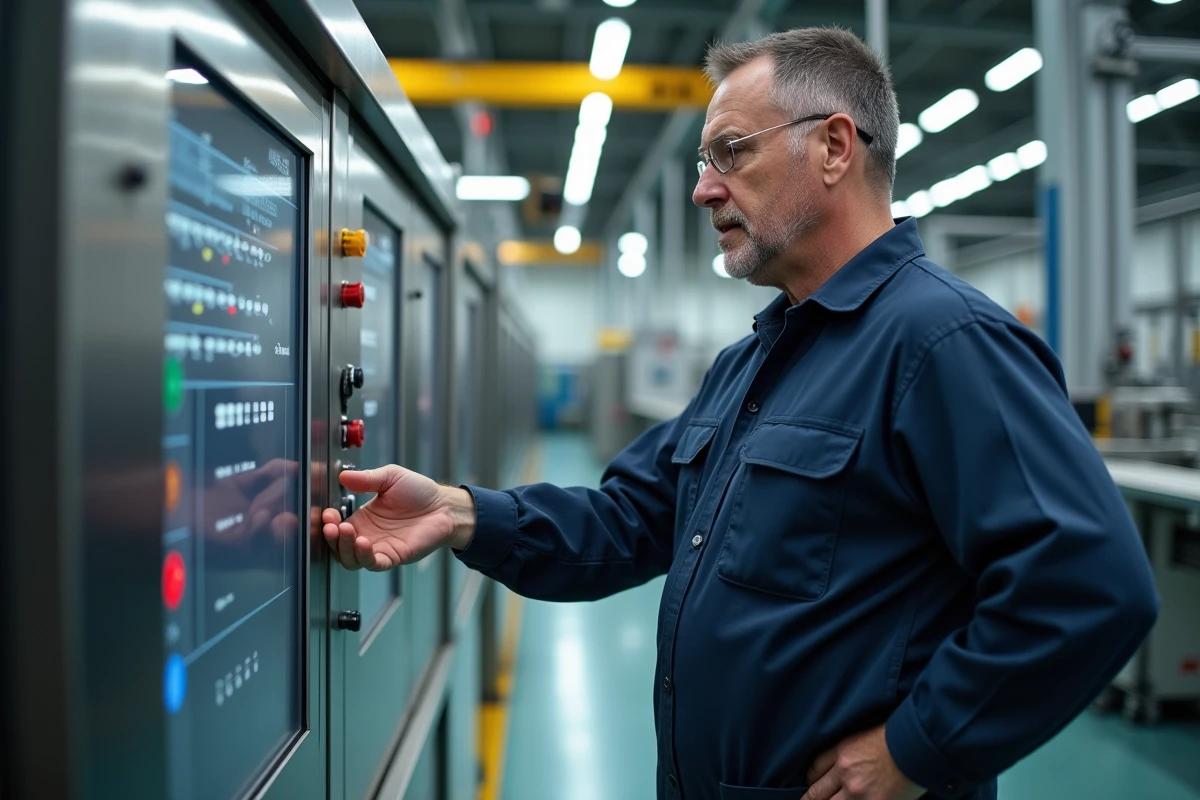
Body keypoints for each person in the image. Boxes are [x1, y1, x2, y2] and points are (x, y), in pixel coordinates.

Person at [322, 27, 1159, 800]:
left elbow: (1090, 584)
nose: (701, 188)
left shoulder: (942, 343)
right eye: (701, 159)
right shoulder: (753, 360)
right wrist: (461, 513)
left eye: (730, 152)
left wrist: (916, 749)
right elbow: (631, 520)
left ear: (834, 147)